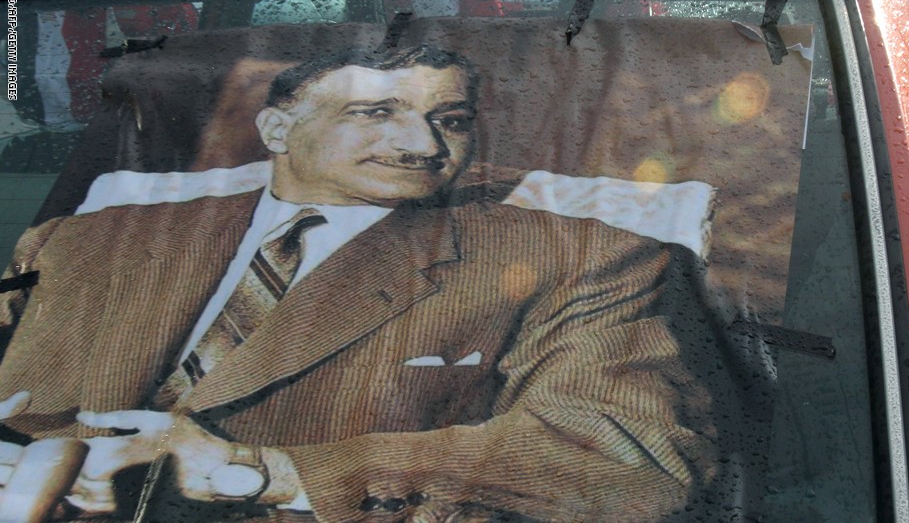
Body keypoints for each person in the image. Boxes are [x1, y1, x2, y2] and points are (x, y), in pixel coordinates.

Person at [0, 44, 719, 522]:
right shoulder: (82, 241)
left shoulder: (585, 256)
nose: (423, 145)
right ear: (277, 130)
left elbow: (629, 459)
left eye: (450, 120)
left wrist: (258, 470)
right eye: (376, 113)